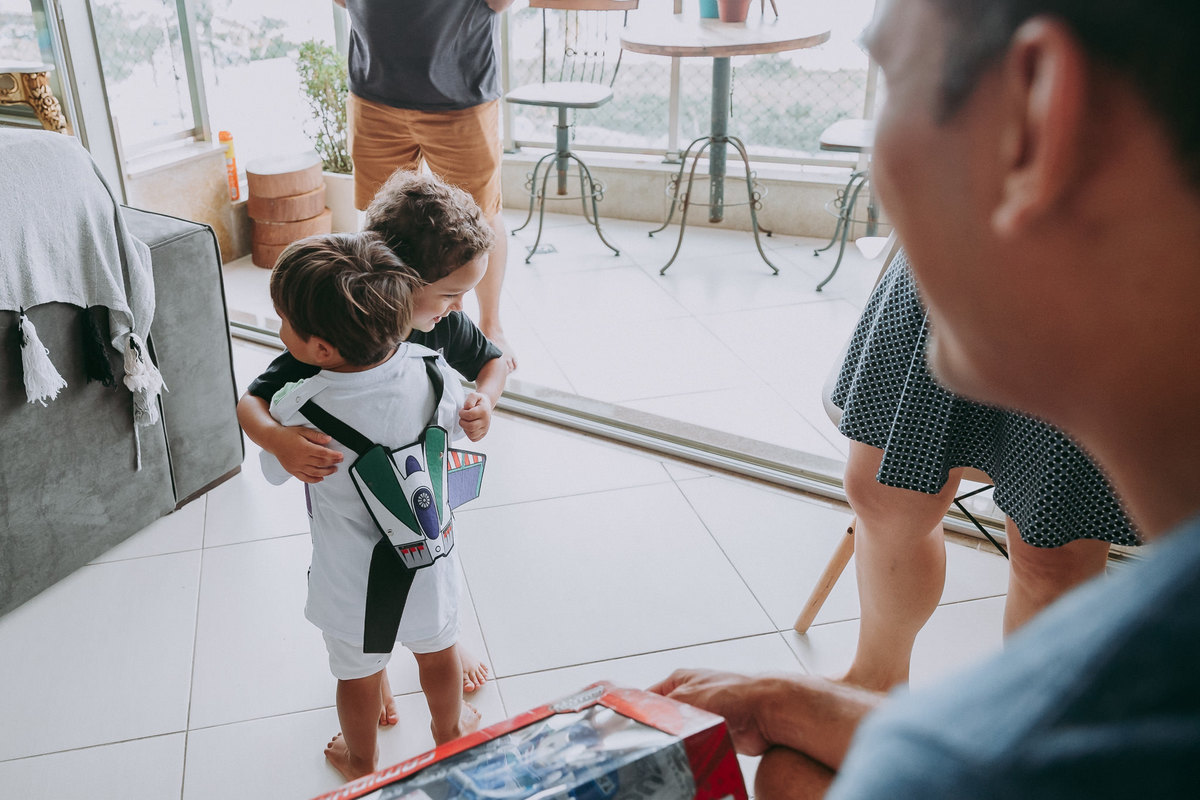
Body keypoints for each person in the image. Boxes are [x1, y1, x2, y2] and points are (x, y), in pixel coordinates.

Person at [651, 0, 1200, 796]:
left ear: (1035, 116)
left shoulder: (958, 772)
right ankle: (876, 675)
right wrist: (812, 709)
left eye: (891, 76)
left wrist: (923, 762)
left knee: (1050, 544)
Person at [238, 170, 506, 695]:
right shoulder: (337, 327)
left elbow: (494, 363)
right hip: (347, 499)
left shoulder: (442, 324)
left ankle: (438, 638)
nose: (459, 308)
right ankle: (371, 664)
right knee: (358, 577)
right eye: (452, 293)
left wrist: (484, 401)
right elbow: (253, 400)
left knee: (428, 568)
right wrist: (277, 440)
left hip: (422, 492)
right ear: (398, 277)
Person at [832, 245, 1138, 691]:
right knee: (879, 494)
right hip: (959, 245)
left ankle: (1024, 733)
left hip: (1098, 277)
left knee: (1052, 555)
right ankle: (874, 682)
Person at [260, 233, 482, 781]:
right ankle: (449, 735)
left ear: (319, 350)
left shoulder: (299, 406)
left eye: (284, 320)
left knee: (356, 676)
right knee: (438, 654)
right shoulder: (434, 370)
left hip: (349, 581)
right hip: (429, 560)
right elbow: (462, 425)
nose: (278, 328)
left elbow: (273, 470)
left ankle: (361, 762)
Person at [332, 0, 518, 370]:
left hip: (460, 91)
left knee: (480, 218)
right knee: (379, 217)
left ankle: (490, 324)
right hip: (375, 88)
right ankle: (382, 320)